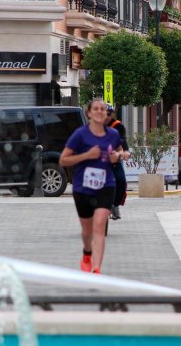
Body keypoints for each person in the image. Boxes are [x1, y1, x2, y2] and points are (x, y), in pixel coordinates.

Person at [59, 98, 123, 274]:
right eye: (96, 108)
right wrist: (86, 155)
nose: (100, 111)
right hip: (83, 188)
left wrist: (116, 156)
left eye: (102, 109)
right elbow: (63, 159)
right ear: (89, 113)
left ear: (106, 113)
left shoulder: (113, 134)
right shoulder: (80, 135)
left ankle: (96, 268)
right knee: (87, 230)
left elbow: (120, 151)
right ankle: (87, 252)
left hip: (106, 185)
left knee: (100, 225)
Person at [105, 104, 131, 220]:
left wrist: (125, 151)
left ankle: (115, 205)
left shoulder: (117, 126)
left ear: (112, 114)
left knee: (121, 181)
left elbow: (123, 140)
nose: (106, 116)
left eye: (109, 113)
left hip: (114, 158)